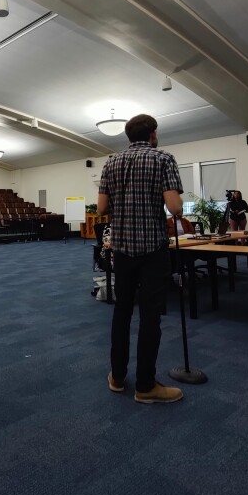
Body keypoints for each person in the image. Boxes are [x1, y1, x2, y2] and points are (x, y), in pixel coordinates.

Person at [97, 113, 184, 405]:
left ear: (127, 136)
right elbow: (175, 208)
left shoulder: (111, 162)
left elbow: (101, 209)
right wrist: (174, 204)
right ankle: (146, 385)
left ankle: (117, 377)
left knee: (122, 312)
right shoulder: (164, 159)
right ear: (153, 134)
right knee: (150, 316)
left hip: (121, 249)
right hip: (152, 250)